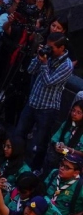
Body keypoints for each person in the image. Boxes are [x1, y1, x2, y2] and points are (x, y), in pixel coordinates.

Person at [17, 32, 73, 169]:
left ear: (61, 48)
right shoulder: (46, 56)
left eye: (51, 47)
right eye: (47, 46)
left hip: (47, 109)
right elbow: (30, 70)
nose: (48, 50)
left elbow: (49, 82)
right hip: (33, 102)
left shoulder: (67, 65)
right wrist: (39, 57)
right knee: (19, 134)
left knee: (38, 143)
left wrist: (44, 63)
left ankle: (33, 169)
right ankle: (14, 162)